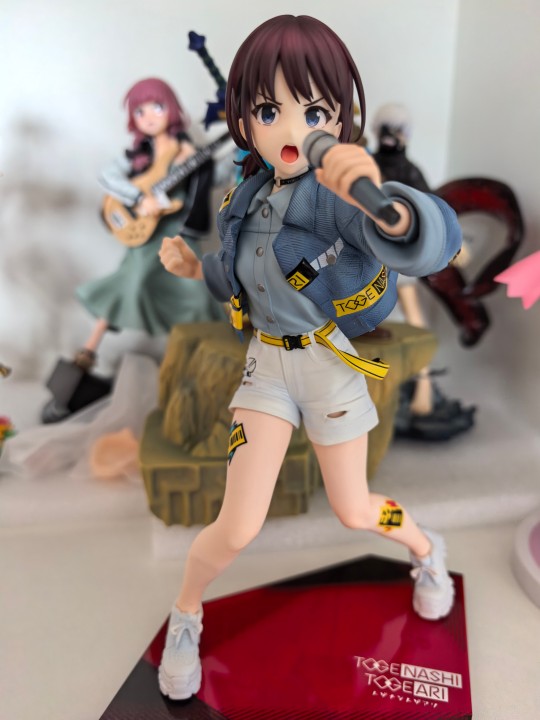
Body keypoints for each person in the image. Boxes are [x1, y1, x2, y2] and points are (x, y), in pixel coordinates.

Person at [158, 15, 461, 700]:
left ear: (339, 118)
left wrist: (390, 206)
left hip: (327, 366)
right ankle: (186, 613)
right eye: (270, 111)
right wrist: (193, 267)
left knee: (359, 510)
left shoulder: (333, 198)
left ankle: (423, 546)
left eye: (315, 111)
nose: (292, 129)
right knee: (238, 524)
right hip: (266, 368)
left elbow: (419, 238)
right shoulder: (244, 197)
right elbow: (238, 271)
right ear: (245, 119)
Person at [75, 77, 224, 372]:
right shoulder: (139, 155)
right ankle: (88, 350)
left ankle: (195, 360)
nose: (149, 117)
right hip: (146, 234)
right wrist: (139, 198)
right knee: (132, 282)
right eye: (140, 111)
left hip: (178, 232)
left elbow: (219, 179)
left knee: (196, 292)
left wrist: (241, 160)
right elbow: (107, 176)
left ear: (171, 109)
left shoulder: (189, 152)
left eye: (157, 107)